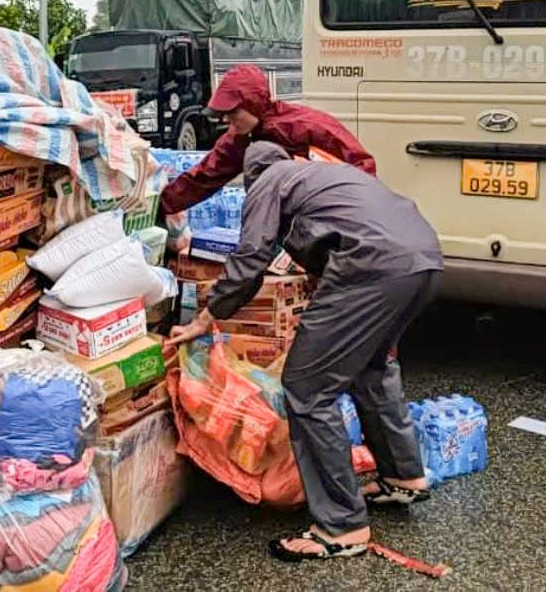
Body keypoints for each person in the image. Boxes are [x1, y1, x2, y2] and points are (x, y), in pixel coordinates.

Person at [166, 142, 444, 562]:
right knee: (372, 367)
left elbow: (250, 256)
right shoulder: (321, 174)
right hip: (423, 260)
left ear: (252, 177)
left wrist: (207, 317)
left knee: (308, 389)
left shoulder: (269, 183)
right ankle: (403, 476)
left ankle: (340, 526)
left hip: (371, 269)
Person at [159, 64, 375, 217]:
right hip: (283, 220)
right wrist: (161, 205)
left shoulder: (306, 126)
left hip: (329, 214)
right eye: (224, 114)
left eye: (233, 112)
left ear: (252, 104)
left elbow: (362, 166)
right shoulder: (239, 138)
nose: (227, 120)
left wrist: (353, 214)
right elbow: (205, 176)